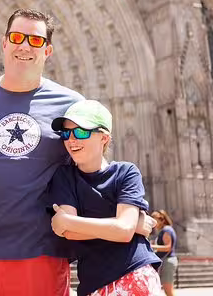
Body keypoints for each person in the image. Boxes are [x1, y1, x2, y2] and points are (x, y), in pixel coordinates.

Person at [0, 9, 84, 296]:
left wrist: (127, 212)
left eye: (34, 40)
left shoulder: (72, 105)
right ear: (4, 43)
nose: (24, 46)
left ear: (47, 50)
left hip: (41, 254)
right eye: (17, 37)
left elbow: (87, 171)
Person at [48, 100, 163, 296]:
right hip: (93, 283)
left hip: (135, 273)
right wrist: (127, 224)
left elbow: (123, 231)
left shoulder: (126, 172)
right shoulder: (64, 176)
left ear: (104, 138)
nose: (71, 139)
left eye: (81, 132)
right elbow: (67, 231)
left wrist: (126, 226)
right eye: (66, 133)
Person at [151, 209, 178, 296]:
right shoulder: (164, 230)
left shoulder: (166, 230)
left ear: (162, 220)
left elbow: (168, 248)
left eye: (155, 220)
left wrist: (151, 246)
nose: (153, 224)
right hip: (167, 261)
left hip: (168, 261)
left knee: (168, 290)